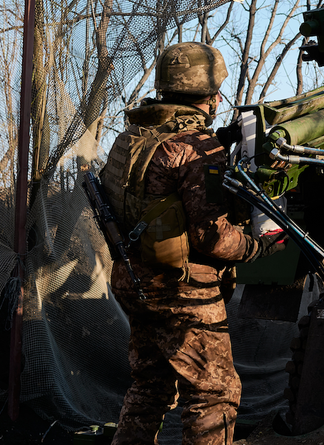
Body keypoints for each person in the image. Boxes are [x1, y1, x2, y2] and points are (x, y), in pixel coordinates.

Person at [101, 42, 285, 445]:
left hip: (133, 280)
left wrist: (218, 141)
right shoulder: (196, 149)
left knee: (150, 386)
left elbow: (158, 185)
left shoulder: (130, 139)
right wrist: (259, 247)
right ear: (212, 95)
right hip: (181, 290)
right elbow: (213, 237)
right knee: (214, 394)